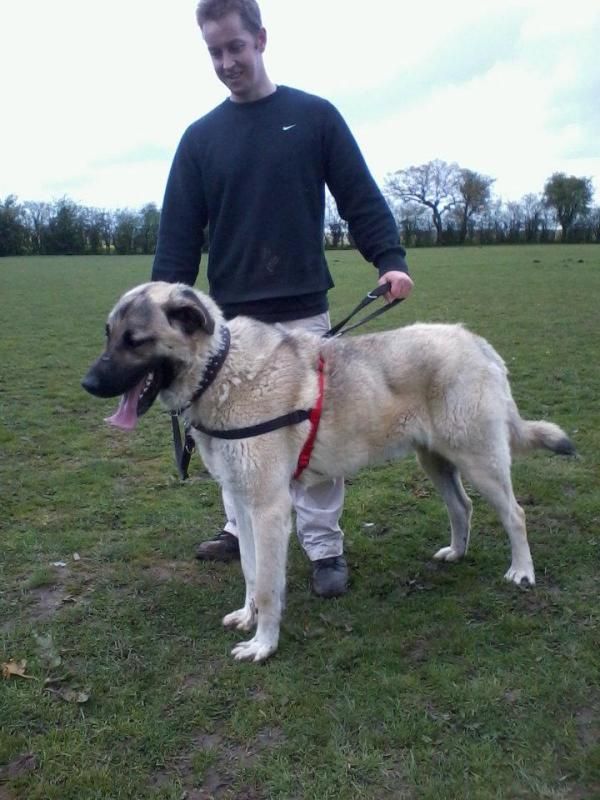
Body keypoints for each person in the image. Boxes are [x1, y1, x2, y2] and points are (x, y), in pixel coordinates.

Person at [151, 0, 414, 598]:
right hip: (228, 324)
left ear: (261, 39)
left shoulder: (315, 117)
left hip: (302, 312)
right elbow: (177, 240)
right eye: (214, 52)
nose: (225, 62)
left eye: (235, 48)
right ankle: (240, 530)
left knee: (312, 434)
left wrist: (390, 261)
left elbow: (360, 197)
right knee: (224, 432)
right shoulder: (199, 140)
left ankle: (324, 548)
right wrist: (162, 312)